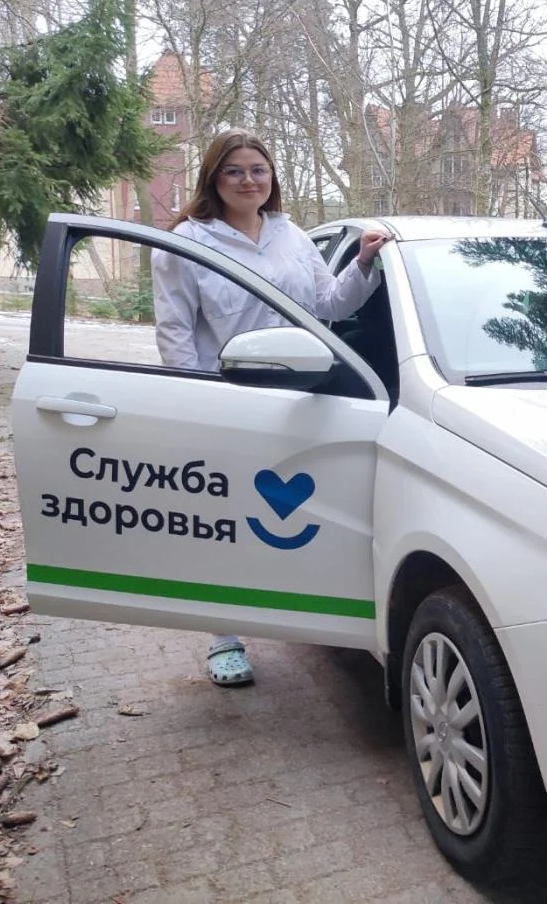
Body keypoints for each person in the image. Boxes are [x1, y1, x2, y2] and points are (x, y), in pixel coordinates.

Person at [152, 128, 387, 687]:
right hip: (228, 399)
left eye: (258, 169)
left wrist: (363, 263)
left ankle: (301, 607)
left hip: (303, 398)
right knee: (224, 522)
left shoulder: (291, 235)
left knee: (299, 515)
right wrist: (195, 400)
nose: (248, 180)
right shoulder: (189, 240)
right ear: (214, 177)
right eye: (234, 170)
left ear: (272, 177)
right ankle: (223, 637)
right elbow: (175, 330)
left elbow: (329, 304)